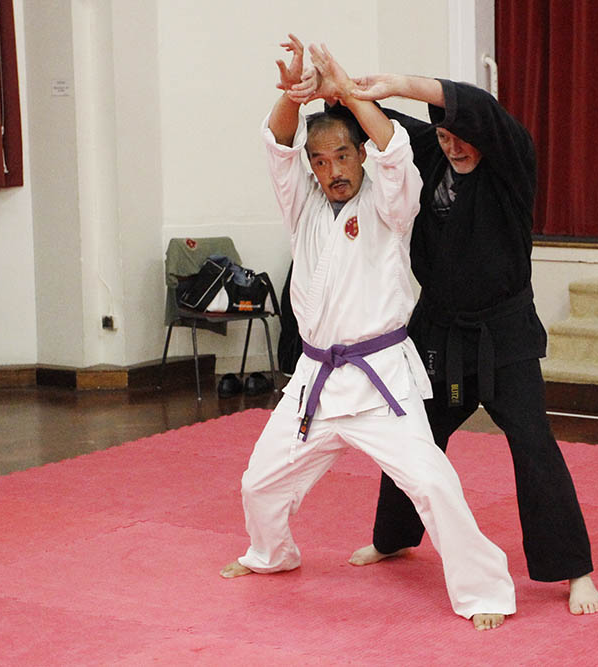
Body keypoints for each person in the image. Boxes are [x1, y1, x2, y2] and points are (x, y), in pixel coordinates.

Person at [220, 36, 516, 631]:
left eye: (342, 156)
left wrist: (349, 92)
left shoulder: (391, 204)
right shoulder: (302, 207)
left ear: (360, 155)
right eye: (320, 162)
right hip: (315, 381)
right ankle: (271, 555)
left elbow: (395, 149)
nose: (332, 171)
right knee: (259, 484)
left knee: (432, 484)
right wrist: (292, 95)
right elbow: (277, 145)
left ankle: (483, 591)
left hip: (380, 383)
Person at [320, 72, 598, 615]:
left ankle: (575, 570)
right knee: (414, 438)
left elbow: (478, 109)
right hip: (439, 331)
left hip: (504, 335)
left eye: (462, 137)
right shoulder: (430, 153)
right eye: (445, 137)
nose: (454, 147)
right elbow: (380, 125)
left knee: (533, 443)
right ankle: (393, 537)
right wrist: (337, 90)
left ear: (484, 133)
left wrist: (397, 81)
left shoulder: (511, 162)